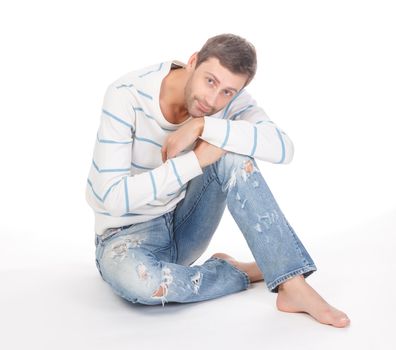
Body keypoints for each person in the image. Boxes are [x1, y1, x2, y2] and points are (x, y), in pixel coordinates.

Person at [85, 33, 350, 328]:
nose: (213, 100)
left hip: (184, 227)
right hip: (123, 240)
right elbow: (108, 196)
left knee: (232, 153)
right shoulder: (126, 94)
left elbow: (283, 147)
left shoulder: (223, 103)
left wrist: (203, 125)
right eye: (209, 81)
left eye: (227, 92)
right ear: (193, 61)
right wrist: (195, 160)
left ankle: (291, 283)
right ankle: (240, 272)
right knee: (143, 285)